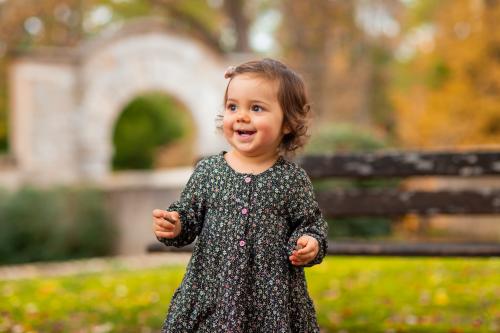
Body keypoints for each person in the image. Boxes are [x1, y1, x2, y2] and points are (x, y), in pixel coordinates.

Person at [152, 58, 328, 332]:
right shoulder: (209, 171)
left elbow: (310, 225)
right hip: (213, 293)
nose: (241, 116)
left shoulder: (292, 180)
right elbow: (188, 216)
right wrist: (175, 225)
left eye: (256, 108)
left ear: (288, 123)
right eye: (233, 106)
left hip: (272, 300)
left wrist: (308, 242)